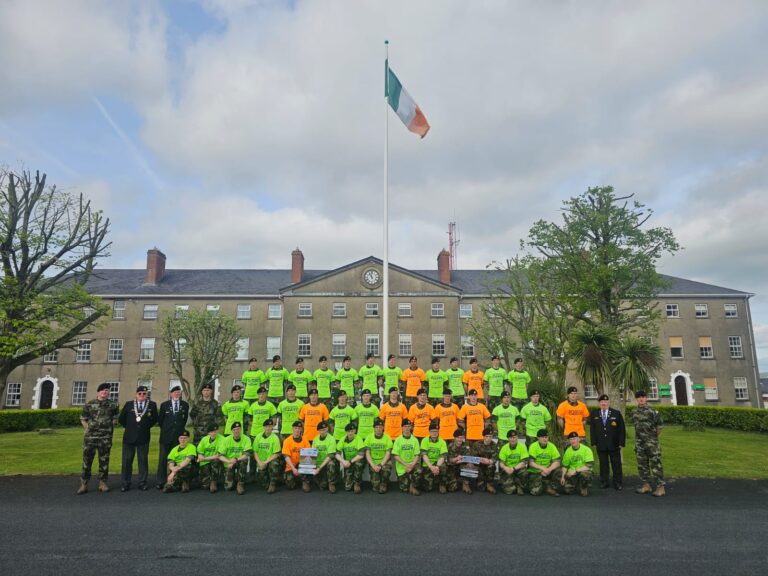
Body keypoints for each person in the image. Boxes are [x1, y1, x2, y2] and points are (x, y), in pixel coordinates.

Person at [77, 382, 119, 494]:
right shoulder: (90, 404)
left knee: (104, 460)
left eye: (107, 390)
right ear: (98, 392)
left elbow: (115, 418)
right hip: (90, 438)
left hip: (105, 438)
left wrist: (109, 426)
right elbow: (83, 419)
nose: (105, 392)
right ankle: (84, 484)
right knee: (87, 461)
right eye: (103, 390)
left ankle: (103, 483)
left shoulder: (113, 405)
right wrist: (88, 429)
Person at [118, 384, 158, 492]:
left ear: (147, 395)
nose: (142, 395)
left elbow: (154, 419)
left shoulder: (152, 405)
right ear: (136, 394)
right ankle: (125, 483)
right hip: (129, 438)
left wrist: (145, 427)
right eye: (140, 393)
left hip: (143, 437)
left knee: (143, 461)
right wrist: (131, 428)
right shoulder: (129, 404)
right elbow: (121, 419)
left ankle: (142, 482)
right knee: (127, 461)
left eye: (144, 394)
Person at [156, 382, 190, 489]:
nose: (176, 394)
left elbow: (183, 420)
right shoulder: (164, 405)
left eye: (178, 392)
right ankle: (161, 481)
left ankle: (173, 480)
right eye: (174, 392)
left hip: (178, 438)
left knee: (176, 459)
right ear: (171, 394)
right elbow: (161, 421)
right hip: (166, 437)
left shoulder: (185, 405)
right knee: (163, 460)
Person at [632, 390, 666, 497]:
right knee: (642, 465)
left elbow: (659, 426)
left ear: (646, 398)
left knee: (656, 465)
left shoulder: (653, 411)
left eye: (643, 397)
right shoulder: (634, 412)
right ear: (636, 399)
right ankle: (646, 486)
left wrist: (652, 438)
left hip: (652, 444)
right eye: (639, 397)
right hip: (639, 443)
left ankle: (660, 488)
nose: (641, 399)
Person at [589, 394, 626, 490]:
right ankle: (604, 481)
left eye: (605, 401)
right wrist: (593, 442)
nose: (604, 403)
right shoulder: (594, 414)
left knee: (616, 464)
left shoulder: (616, 413)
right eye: (602, 402)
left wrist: (621, 443)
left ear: (608, 402)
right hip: (601, 444)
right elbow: (592, 429)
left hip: (614, 443)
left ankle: (618, 482)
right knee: (603, 464)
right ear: (599, 403)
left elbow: (622, 429)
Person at [218, 421, 252, 495]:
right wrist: (229, 462)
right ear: (232, 431)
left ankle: (240, 483)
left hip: (240, 460)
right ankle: (232, 479)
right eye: (234, 429)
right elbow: (219, 455)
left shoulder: (246, 439)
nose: (236, 431)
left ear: (241, 430)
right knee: (228, 488)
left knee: (244, 462)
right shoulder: (226, 440)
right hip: (229, 462)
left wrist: (236, 459)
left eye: (238, 429)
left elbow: (247, 454)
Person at [251, 418, 282, 494]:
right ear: (264, 427)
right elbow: (255, 451)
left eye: (270, 426)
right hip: (261, 461)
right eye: (266, 426)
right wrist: (259, 462)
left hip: (270, 460)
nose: (268, 428)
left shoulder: (275, 438)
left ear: (272, 427)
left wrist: (265, 462)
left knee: (274, 464)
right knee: (262, 480)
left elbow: (276, 454)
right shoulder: (258, 437)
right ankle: (267, 483)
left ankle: (273, 483)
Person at [528, 429, 561, 497]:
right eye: (542, 437)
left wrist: (549, 469)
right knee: (535, 492)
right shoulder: (533, 446)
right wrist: (543, 469)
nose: (545, 439)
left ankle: (550, 486)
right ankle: (545, 484)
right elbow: (531, 463)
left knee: (559, 471)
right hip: (535, 472)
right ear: (538, 438)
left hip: (548, 470)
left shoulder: (552, 446)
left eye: (546, 437)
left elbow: (557, 462)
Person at [392, 419, 421, 495]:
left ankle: (413, 486)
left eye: (409, 426)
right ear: (402, 427)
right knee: (404, 489)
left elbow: (417, 455)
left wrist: (411, 465)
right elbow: (395, 455)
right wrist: (406, 465)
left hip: (413, 464)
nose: (407, 428)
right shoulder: (398, 440)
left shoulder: (415, 440)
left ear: (411, 427)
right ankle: (408, 485)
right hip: (402, 466)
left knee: (419, 470)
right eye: (405, 426)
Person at [560, 432, 594, 496]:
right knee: (567, 491)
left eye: (574, 439)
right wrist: (562, 477)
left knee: (585, 475)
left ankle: (584, 487)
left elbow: (589, 465)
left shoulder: (586, 449)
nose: (572, 441)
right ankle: (576, 484)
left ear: (579, 439)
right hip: (572, 473)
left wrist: (575, 471)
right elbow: (565, 466)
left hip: (583, 471)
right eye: (571, 439)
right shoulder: (568, 451)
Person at [365, 417, 393, 494]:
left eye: (380, 427)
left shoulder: (387, 437)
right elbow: (367, 453)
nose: (378, 429)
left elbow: (388, 453)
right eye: (376, 427)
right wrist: (373, 465)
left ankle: (384, 483)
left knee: (386, 469)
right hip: (373, 461)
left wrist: (380, 465)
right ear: (373, 428)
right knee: (375, 488)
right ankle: (378, 482)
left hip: (384, 462)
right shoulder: (369, 437)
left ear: (383, 428)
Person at [282, 420, 312, 492]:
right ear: (292, 429)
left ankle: (305, 481)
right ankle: (297, 479)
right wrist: (293, 468)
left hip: (302, 463)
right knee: (290, 486)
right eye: (295, 428)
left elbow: (309, 455)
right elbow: (286, 456)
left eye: (299, 428)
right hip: (291, 465)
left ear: (301, 429)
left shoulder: (305, 440)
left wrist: (302, 466)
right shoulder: (287, 441)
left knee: (309, 461)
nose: (297, 430)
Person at [420, 420, 449, 493]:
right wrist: (431, 467)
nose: (434, 433)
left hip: (437, 463)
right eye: (432, 431)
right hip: (428, 464)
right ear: (429, 432)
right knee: (427, 489)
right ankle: (433, 479)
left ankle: (442, 484)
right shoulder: (424, 440)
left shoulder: (442, 441)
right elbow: (424, 455)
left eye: (436, 431)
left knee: (444, 467)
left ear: (438, 431)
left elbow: (443, 456)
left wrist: (437, 466)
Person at [336, 423, 365, 494]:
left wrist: (350, 461)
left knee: (358, 464)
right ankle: (349, 480)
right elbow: (337, 454)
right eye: (349, 431)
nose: (350, 433)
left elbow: (361, 454)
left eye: (352, 431)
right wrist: (343, 461)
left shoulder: (358, 438)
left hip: (356, 460)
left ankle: (357, 483)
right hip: (347, 463)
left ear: (355, 431)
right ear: (346, 432)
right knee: (347, 488)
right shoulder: (342, 439)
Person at [498, 430, 529, 495]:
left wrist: (513, 469)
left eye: (514, 437)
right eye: (511, 437)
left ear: (517, 437)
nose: (513, 439)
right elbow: (501, 462)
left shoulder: (522, 446)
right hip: (508, 470)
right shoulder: (504, 448)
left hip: (517, 469)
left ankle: (520, 486)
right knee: (509, 491)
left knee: (525, 472)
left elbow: (524, 462)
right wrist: (505, 468)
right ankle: (514, 482)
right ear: (508, 438)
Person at [311, 421, 338, 492]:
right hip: (318, 464)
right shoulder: (315, 439)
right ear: (318, 431)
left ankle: (331, 483)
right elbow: (312, 454)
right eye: (320, 430)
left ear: (327, 429)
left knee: (331, 463)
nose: (322, 432)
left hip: (326, 464)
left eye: (324, 430)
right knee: (321, 486)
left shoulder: (332, 439)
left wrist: (319, 468)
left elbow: (330, 456)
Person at [196, 423, 224, 493]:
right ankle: (208, 479)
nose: (213, 433)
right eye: (211, 432)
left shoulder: (222, 439)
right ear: (208, 432)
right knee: (205, 486)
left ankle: (213, 481)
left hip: (215, 461)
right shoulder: (204, 439)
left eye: (215, 431)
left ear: (217, 431)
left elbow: (218, 455)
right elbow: (200, 451)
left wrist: (204, 458)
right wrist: (200, 456)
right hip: (205, 463)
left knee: (216, 461)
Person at [472, 425, 498, 494]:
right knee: (481, 489)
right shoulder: (476, 444)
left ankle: (489, 484)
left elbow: (495, 457)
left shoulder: (494, 445)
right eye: (487, 436)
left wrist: (489, 461)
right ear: (483, 437)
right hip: (479, 465)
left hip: (488, 465)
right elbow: (473, 456)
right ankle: (481, 481)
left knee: (492, 466)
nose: (488, 438)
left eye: (490, 436)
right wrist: (480, 459)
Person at [446, 428, 473, 494]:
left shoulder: (466, 446)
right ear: (454, 438)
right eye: (458, 438)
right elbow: (447, 460)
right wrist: (455, 459)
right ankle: (454, 480)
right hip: (452, 467)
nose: (460, 439)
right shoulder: (450, 446)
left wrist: (463, 461)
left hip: (461, 466)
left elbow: (469, 457)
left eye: (461, 438)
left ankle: (465, 484)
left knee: (470, 465)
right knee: (452, 489)